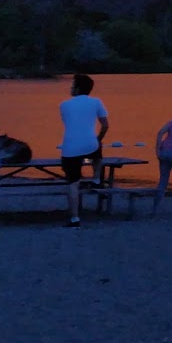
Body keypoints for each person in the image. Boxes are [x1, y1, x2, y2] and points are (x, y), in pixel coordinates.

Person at [59, 73, 109, 228]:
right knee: (97, 147)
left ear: (78, 88)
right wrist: (99, 138)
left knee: (73, 184)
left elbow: (71, 123)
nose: (70, 87)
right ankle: (96, 179)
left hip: (70, 148)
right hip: (90, 146)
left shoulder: (64, 105)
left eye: (72, 85)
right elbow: (105, 125)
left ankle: (75, 219)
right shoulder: (96, 102)